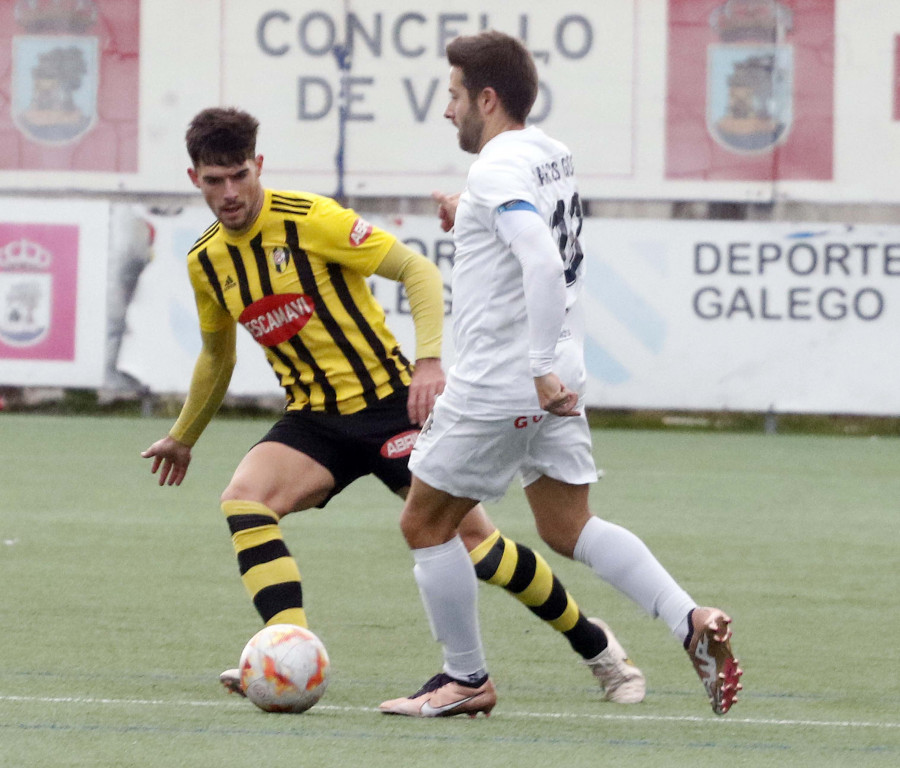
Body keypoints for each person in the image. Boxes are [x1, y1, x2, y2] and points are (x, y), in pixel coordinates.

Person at [140, 106, 646, 704]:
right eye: (213, 180)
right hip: (313, 419)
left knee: (476, 545)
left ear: (259, 166)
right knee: (244, 502)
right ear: (193, 177)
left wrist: (428, 362)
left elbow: (416, 269)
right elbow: (217, 358)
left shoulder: (312, 220)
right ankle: (285, 648)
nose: (228, 193)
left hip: (390, 407)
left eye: (239, 176)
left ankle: (598, 648)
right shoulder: (207, 260)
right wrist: (183, 435)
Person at [379, 31, 743, 719]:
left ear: (486, 98)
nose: (446, 110)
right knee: (568, 526)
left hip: (506, 379)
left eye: (453, 96)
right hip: (558, 375)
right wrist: (470, 223)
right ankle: (687, 618)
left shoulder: (493, 170)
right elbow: (528, 240)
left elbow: (542, 261)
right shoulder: (550, 154)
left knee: (425, 523)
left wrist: (537, 367)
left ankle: (465, 678)